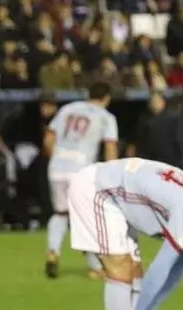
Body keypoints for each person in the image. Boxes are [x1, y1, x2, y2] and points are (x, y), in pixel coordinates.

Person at [68, 157, 183, 310]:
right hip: (96, 189)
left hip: (119, 197)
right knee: (121, 269)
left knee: (135, 272)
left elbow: (178, 268)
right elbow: (161, 267)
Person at [43, 81, 118, 279]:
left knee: (60, 214)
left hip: (57, 168)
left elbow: (48, 140)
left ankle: (53, 251)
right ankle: (95, 267)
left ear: (88, 94)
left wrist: (57, 159)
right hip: (81, 170)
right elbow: (110, 148)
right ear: (107, 98)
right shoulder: (106, 117)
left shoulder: (67, 109)